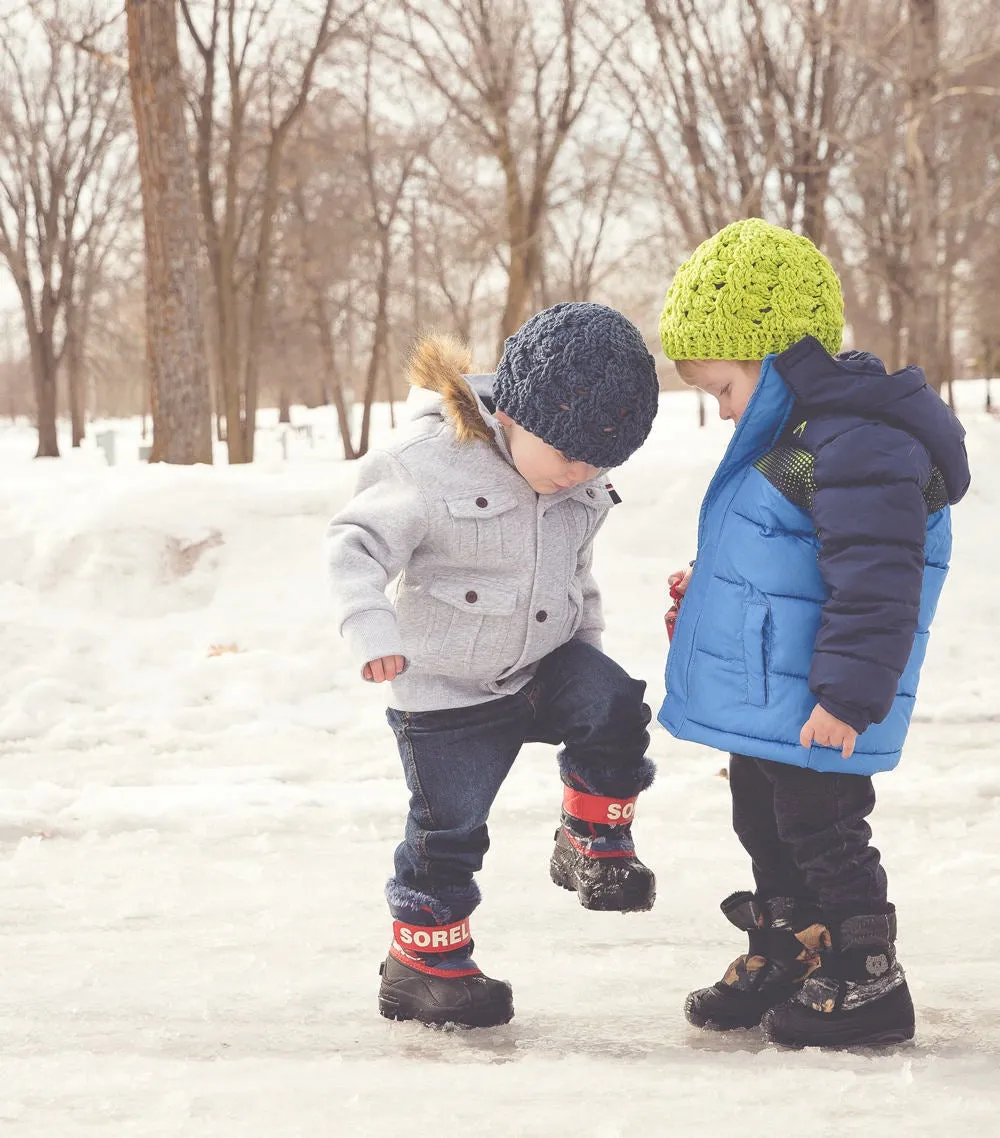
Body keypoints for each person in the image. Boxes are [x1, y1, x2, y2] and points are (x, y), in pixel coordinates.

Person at [657, 219, 970, 1048]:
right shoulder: (803, 439)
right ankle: (794, 949)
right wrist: (713, 593)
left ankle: (868, 974)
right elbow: (791, 559)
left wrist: (847, 697)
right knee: (762, 821)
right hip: (779, 698)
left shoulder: (860, 441)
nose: (723, 411)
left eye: (722, 389)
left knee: (823, 829)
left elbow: (879, 579)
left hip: (819, 701)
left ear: (774, 358)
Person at [327, 302, 661, 1028]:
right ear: (513, 412)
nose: (580, 472)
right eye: (567, 453)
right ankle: (423, 964)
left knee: (618, 706)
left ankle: (591, 842)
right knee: (449, 832)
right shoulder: (425, 463)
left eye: (599, 462)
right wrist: (371, 629)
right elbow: (354, 547)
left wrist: (591, 676)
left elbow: (578, 577)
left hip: (543, 666)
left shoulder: (579, 484)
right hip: (445, 690)